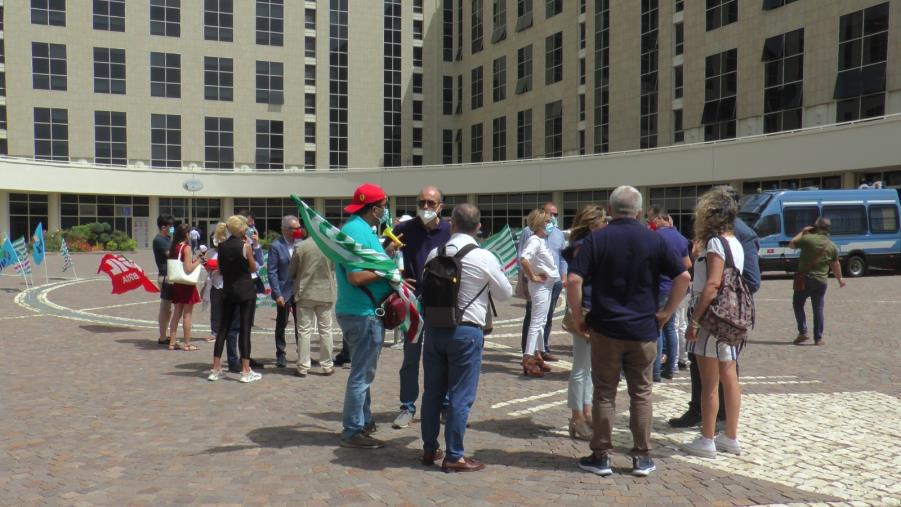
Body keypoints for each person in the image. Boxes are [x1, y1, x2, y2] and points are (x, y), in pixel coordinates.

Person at [567, 185, 689, 478]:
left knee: (604, 392)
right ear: (639, 211)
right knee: (641, 393)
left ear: (610, 210)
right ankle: (642, 457)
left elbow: (573, 280)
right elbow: (683, 276)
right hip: (643, 328)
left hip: (606, 327)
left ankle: (601, 456)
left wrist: (578, 316)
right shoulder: (654, 239)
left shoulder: (597, 238)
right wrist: (667, 312)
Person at [420, 203, 513, 472]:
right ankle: (454, 455)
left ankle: (429, 448)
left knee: (432, 393)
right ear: (479, 227)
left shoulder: (434, 253)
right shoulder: (483, 256)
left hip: (434, 328)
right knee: (460, 395)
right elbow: (505, 293)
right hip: (466, 331)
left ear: (452, 223)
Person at [668, 186, 761, 429]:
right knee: (724, 374)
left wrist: (696, 319)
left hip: (716, 313)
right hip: (725, 313)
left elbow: (719, 283)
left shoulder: (724, 240)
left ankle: (710, 431)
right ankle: (727, 430)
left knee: (712, 379)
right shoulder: (729, 239)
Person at [681, 187, 748, 458]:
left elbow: (712, 285)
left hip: (712, 316)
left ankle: (707, 438)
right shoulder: (736, 243)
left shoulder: (715, 244)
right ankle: (730, 435)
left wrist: (695, 320)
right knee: (729, 377)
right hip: (732, 316)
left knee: (709, 382)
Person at [335, 183, 397, 449]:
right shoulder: (357, 231)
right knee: (361, 375)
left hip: (359, 311)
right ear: (373, 209)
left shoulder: (357, 229)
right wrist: (388, 271)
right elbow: (356, 276)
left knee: (363, 373)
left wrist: (385, 258)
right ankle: (353, 430)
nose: (385, 210)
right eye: (384, 206)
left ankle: (364, 420)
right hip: (363, 313)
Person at [390, 186, 451, 429]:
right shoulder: (405, 228)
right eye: (421, 202)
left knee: (442, 356)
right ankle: (407, 406)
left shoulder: (450, 229)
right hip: (413, 302)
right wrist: (396, 276)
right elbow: (381, 257)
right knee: (411, 357)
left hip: (442, 301)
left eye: (430, 203)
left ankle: (444, 405)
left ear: (440, 207)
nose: (425, 207)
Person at [560, 205, 606, 441]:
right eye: (602, 222)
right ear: (592, 225)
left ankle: (586, 411)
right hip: (586, 308)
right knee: (580, 367)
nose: (606, 226)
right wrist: (577, 314)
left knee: (589, 367)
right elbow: (575, 281)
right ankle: (577, 416)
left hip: (592, 307)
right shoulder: (582, 247)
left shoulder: (587, 244)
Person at [208, 215, 261, 383]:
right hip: (245, 290)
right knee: (244, 329)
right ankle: (246, 370)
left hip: (228, 289)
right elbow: (253, 267)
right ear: (241, 229)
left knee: (223, 328)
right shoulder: (245, 246)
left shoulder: (222, 246)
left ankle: (216, 368)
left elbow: (221, 269)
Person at [518, 202, 567, 361]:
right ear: (540, 223)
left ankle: (539, 353)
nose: (551, 222)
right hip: (540, 286)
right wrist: (532, 277)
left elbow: (561, 257)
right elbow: (523, 259)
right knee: (535, 321)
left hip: (551, 284)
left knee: (543, 320)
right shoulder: (534, 239)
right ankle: (528, 356)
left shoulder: (545, 239)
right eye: (547, 220)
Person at [790, 217, 845, 346]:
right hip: (821, 281)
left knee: (798, 304)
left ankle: (803, 332)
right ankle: (818, 338)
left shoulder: (808, 239)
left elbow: (792, 244)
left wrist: (802, 232)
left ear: (816, 227)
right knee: (818, 309)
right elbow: (835, 264)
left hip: (805, 279)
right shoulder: (831, 245)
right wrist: (840, 279)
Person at [289, 228, 337, 377]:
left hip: (305, 292)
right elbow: (335, 267)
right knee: (326, 330)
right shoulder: (329, 246)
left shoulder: (300, 246)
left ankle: (303, 366)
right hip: (325, 292)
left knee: (304, 331)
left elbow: (291, 271)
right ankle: (327, 365)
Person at [652, 211, 691, 381]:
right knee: (670, 328)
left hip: (660, 287)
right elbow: (687, 263)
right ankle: (670, 368)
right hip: (675, 288)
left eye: (654, 218)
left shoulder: (656, 236)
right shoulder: (681, 238)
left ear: (664, 219)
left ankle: (655, 371)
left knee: (657, 327)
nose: (652, 222)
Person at [204, 222, 242, 373]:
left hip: (231, 287)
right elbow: (209, 268)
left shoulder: (234, 248)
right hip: (217, 285)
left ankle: (233, 360)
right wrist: (209, 265)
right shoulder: (211, 252)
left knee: (231, 327)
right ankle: (218, 363)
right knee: (220, 322)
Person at [269, 215, 302, 368]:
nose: (298, 230)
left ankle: (302, 353)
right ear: (285, 229)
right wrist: (277, 294)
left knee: (301, 324)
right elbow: (272, 272)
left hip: (299, 290)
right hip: (284, 292)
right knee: (281, 324)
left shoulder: (300, 244)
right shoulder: (276, 246)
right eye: (295, 228)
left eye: (299, 227)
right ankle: (280, 354)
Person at [167, 223, 204, 351]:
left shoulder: (174, 246)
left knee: (176, 313)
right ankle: (187, 343)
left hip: (177, 282)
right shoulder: (186, 248)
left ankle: (172, 342)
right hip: (187, 284)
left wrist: (196, 259)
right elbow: (188, 269)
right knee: (187, 315)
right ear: (186, 234)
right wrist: (199, 260)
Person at [153, 214, 175, 345]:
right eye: (170, 226)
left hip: (172, 275)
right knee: (165, 307)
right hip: (166, 276)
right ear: (163, 227)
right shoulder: (159, 240)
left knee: (169, 308)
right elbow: (171, 254)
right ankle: (162, 336)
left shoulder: (168, 238)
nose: (172, 228)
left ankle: (165, 335)